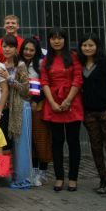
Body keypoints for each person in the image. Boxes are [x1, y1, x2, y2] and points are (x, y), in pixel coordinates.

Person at [40, 27, 83, 192]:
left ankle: (73, 178)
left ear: (65, 40)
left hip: (72, 103)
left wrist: (68, 100)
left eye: (60, 38)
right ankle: (59, 177)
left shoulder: (73, 57)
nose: (56, 41)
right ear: (49, 40)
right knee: (57, 143)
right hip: (53, 104)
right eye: (53, 38)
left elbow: (78, 79)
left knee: (73, 142)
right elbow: (44, 82)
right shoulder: (46, 60)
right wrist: (52, 102)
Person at [77, 33, 106, 195]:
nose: (87, 48)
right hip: (89, 113)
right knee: (95, 147)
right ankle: (102, 179)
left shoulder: (104, 63)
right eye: (84, 45)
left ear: (97, 46)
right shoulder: (79, 64)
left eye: (91, 45)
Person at [20, 37, 52, 187]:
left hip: (39, 107)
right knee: (29, 140)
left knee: (41, 139)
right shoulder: (19, 64)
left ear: (37, 51)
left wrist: (36, 100)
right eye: (26, 49)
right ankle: (32, 171)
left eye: (31, 50)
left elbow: (46, 85)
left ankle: (42, 172)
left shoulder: (41, 64)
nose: (28, 52)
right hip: (23, 107)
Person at [1, 35, 31, 189]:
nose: (7, 49)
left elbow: (26, 89)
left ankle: (22, 179)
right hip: (8, 109)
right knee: (11, 143)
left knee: (21, 144)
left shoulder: (20, 65)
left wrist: (9, 79)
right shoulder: (1, 65)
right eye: (5, 46)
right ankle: (11, 176)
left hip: (21, 108)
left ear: (16, 48)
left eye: (10, 46)